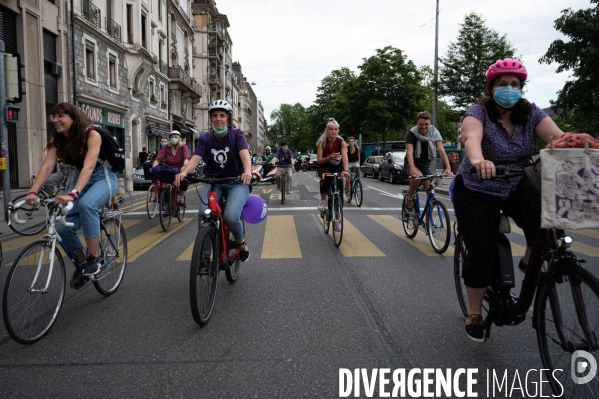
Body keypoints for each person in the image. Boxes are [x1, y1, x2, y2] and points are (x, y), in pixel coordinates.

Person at [452, 58, 565, 342]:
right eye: (503, 84)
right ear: (491, 88)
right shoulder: (478, 111)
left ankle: (530, 260)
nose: (510, 89)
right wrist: (478, 160)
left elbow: (557, 138)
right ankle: (475, 311)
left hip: (517, 181)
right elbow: (471, 136)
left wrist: (577, 142)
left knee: (548, 222)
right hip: (478, 186)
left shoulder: (531, 113)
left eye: (515, 85)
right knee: (482, 248)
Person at [25, 102, 118, 276]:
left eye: (61, 116)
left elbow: (89, 167)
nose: (56, 120)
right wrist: (33, 191)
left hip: (102, 176)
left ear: (73, 118)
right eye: (54, 116)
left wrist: (74, 193)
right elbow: (47, 166)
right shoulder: (57, 139)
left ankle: (93, 258)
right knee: (62, 227)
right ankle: (82, 262)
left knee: (86, 204)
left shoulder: (92, 134)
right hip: (77, 177)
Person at [174, 100, 252, 261]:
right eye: (215, 115)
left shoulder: (237, 135)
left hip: (236, 182)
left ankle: (240, 242)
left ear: (228, 118)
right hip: (213, 182)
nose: (218, 119)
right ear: (211, 118)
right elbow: (195, 159)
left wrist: (247, 172)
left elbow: (245, 156)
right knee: (204, 214)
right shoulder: (206, 137)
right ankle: (204, 256)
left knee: (230, 216)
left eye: (222, 115)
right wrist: (184, 172)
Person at [405, 110, 453, 212]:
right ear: (417, 123)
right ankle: (409, 198)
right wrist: (412, 168)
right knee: (417, 177)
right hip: (412, 162)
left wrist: (448, 168)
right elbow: (409, 152)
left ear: (430, 123)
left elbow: (441, 150)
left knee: (431, 195)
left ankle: (428, 225)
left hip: (425, 165)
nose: (423, 127)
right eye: (421, 124)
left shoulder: (434, 132)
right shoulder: (411, 133)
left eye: (426, 124)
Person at [316, 118, 349, 231]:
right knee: (326, 176)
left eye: (336, 129)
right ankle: (322, 201)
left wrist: (345, 170)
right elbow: (319, 160)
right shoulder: (321, 142)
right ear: (327, 130)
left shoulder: (342, 142)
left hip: (337, 166)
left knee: (339, 192)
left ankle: (337, 219)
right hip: (324, 165)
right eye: (331, 129)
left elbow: (344, 157)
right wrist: (329, 157)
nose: (334, 132)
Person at [151, 131, 190, 208]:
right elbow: (159, 158)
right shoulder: (166, 147)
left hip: (180, 169)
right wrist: (153, 167)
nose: (173, 138)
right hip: (170, 169)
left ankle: (181, 199)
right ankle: (167, 205)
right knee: (163, 186)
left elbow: (186, 157)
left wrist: (184, 166)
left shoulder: (183, 147)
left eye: (175, 137)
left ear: (179, 138)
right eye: (172, 137)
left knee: (184, 181)